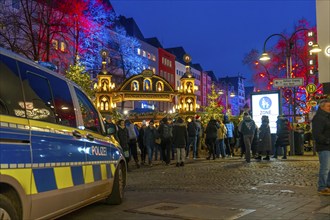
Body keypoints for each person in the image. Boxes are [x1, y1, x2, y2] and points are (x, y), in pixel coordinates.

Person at [312, 99, 330, 195]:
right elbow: (317, 134)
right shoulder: (319, 118)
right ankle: (322, 187)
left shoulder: (327, 117)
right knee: (325, 167)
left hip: (328, 146)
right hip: (324, 147)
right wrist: (327, 141)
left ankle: (328, 185)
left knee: (329, 168)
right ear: (322, 107)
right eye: (328, 106)